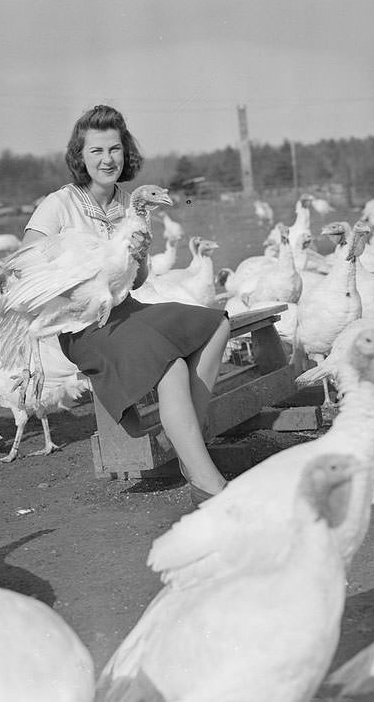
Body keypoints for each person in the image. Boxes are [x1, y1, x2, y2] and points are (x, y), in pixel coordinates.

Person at [21, 105, 229, 502]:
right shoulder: (59, 204)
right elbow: (25, 267)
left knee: (215, 323)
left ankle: (187, 441)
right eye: (96, 151)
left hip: (125, 310)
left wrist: (142, 255)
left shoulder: (127, 203)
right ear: (79, 156)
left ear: (125, 151)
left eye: (114, 149)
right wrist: (73, 283)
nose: (107, 159)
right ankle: (208, 481)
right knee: (166, 363)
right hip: (83, 323)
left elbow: (139, 281)